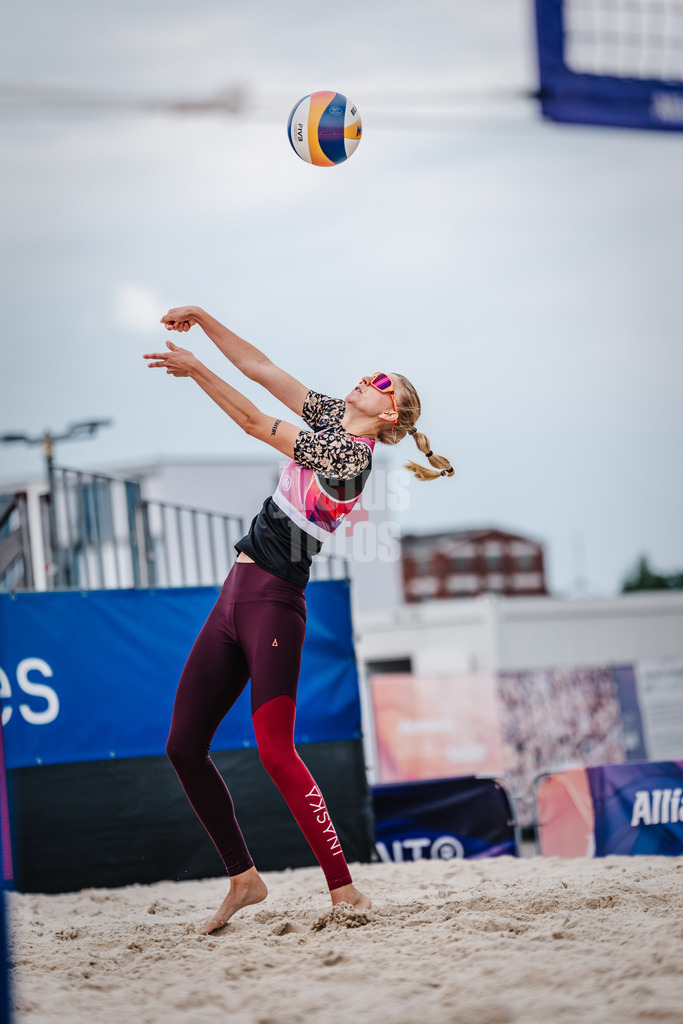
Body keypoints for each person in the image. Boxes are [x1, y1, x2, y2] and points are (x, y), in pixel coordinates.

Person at [143, 306, 453, 933]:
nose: (368, 378)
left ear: (388, 414)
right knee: (182, 745)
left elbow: (256, 421)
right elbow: (261, 369)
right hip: (236, 591)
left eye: (380, 383)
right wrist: (203, 320)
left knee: (275, 751)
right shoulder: (335, 418)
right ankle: (243, 879)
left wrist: (196, 369)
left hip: (274, 602)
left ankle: (344, 891)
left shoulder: (350, 457)